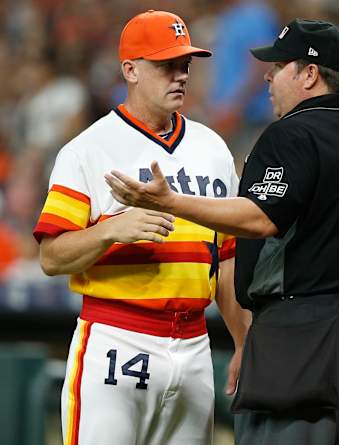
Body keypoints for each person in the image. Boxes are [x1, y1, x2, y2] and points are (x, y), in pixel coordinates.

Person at [106, 18, 339, 445]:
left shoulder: (292, 133)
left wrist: (170, 202)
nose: (268, 77)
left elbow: (260, 217)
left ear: (309, 74)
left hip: (309, 333)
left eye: (279, 67)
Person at [34, 10, 250, 445]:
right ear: (130, 70)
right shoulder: (89, 149)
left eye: (185, 64)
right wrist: (110, 230)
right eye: (166, 64)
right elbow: (51, 257)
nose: (181, 75)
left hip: (193, 343)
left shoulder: (213, 149)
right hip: (117, 337)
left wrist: (245, 342)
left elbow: (225, 260)